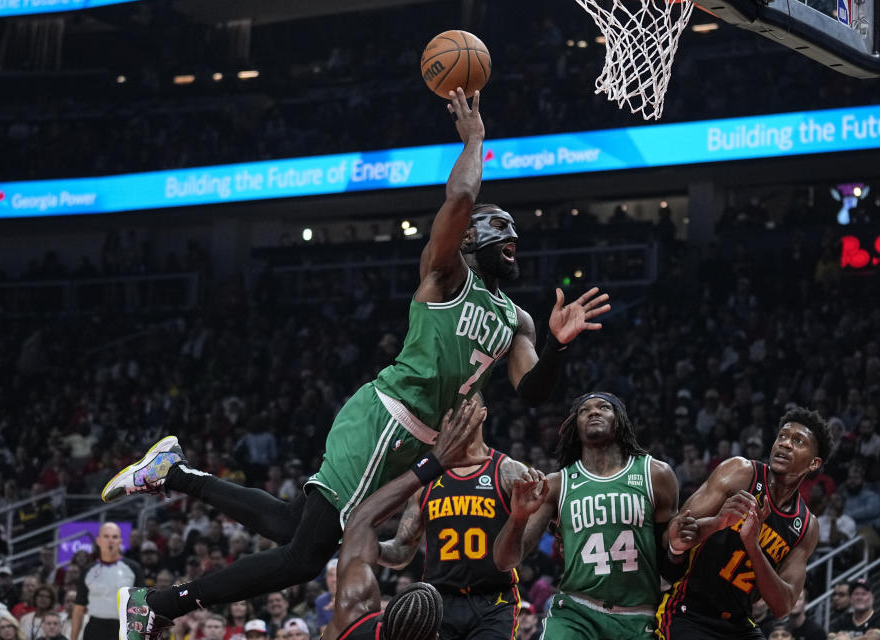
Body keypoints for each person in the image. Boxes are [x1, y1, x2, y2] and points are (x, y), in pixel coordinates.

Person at [106, 87, 611, 637]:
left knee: (295, 526)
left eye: (516, 231)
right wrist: (476, 141)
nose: (513, 236)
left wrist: (559, 346)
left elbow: (533, 390)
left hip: (409, 439)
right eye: (499, 227)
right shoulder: (445, 275)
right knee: (304, 558)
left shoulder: (517, 320)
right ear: (468, 238)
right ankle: (158, 603)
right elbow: (461, 199)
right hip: (387, 420)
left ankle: (173, 472)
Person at [493, 392, 685, 639]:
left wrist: (678, 549)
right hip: (577, 612)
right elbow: (504, 561)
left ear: (620, 420)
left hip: (638, 616)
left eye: (604, 407)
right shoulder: (558, 485)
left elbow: (669, 564)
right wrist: (518, 517)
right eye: (584, 410)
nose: (593, 412)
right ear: (574, 426)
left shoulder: (656, 475)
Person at [655, 406, 832, 640]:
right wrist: (717, 522)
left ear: (814, 463)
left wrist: (753, 546)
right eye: (782, 436)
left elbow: (783, 606)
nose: (785, 444)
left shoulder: (807, 525)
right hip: (689, 611)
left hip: (739, 623)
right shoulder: (740, 472)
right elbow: (673, 536)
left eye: (798, 442)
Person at [322, 398, 488, 640]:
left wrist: (434, 463)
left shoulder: (353, 615)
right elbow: (362, 521)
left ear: (384, 617)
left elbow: (360, 519)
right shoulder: (356, 609)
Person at [377, 393, 528, 640]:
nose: (462, 411)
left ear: (484, 413)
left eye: (469, 404)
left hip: (493, 599)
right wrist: (372, 548)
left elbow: (527, 541)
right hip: (438, 602)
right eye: (454, 405)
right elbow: (402, 550)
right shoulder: (424, 478)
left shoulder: (508, 471)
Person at [70, 523, 141, 640]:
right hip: (94, 629)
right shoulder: (88, 570)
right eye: (106, 536)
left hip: (124, 629)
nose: (110, 540)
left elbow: (142, 606)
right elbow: (79, 608)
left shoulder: (133, 568)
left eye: (114, 537)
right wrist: (73, 638)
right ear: (98, 541)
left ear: (120, 541)